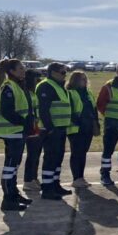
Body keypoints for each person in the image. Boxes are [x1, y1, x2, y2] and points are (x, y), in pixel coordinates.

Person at [0, 59, 34, 211]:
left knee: (14, 166)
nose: (24, 71)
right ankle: (8, 199)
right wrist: (23, 122)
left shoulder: (17, 85)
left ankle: (14, 193)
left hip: (18, 132)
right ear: (12, 71)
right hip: (11, 131)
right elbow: (7, 110)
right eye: (20, 68)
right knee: (10, 166)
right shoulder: (8, 87)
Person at [36, 62, 73, 199]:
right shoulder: (46, 86)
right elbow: (43, 110)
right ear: (53, 72)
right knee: (50, 158)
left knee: (58, 158)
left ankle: (55, 184)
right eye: (63, 72)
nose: (65, 75)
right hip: (51, 129)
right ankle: (47, 188)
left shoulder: (59, 86)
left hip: (61, 128)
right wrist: (50, 128)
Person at [67, 71, 99, 188]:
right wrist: (79, 122)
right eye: (82, 79)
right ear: (75, 80)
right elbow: (69, 111)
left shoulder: (88, 93)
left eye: (85, 79)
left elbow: (93, 109)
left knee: (83, 153)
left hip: (88, 127)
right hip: (76, 129)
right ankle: (76, 178)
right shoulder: (70, 93)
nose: (85, 81)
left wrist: (96, 124)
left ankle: (81, 177)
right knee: (76, 153)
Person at [22, 69, 43, 191]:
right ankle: (28, 180)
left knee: (36, 154)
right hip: (30, 128)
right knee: (32, 154)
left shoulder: (33, 93)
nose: (38, 81)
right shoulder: (27, 93)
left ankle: (34, 177)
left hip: (36, 127)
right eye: (37, 79)